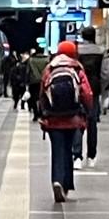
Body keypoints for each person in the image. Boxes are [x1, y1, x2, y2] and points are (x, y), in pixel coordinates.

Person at [37, 39, 93, 204]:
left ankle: (57, 180)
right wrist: (87, 112)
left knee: (57, 150)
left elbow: (42, 93)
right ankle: (66, 184)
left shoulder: (50, 68)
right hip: (73, 117)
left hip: (53, 118)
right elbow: (87, 93)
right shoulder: (76, 68)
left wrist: (43, 113)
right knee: (69, 149)